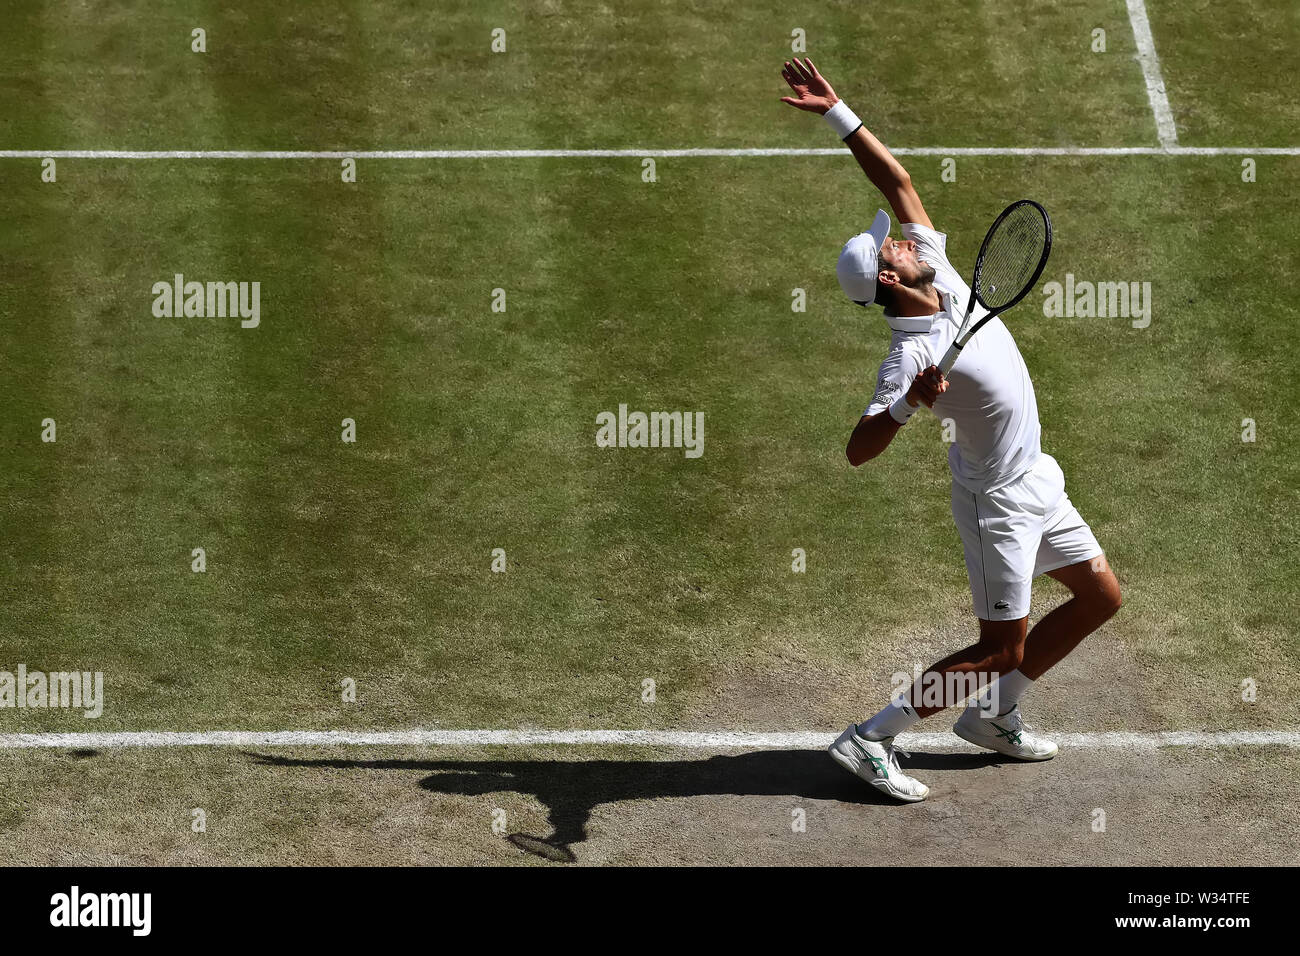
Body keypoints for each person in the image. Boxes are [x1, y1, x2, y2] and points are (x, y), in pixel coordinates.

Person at [780, 58, 1122, 802]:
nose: (903, 238)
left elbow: (895, 181)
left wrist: (840, 113)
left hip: (1037, 476)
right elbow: (858, 448)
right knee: (1002, 647)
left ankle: (994, 720)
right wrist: (908, 406)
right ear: (890, 281)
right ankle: (871, 737)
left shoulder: (936, 267)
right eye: (893, 248)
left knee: (1100, 597)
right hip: (996, 501)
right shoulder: (911, 353)